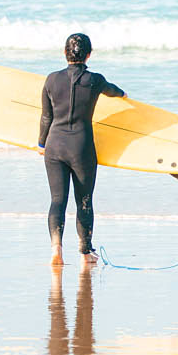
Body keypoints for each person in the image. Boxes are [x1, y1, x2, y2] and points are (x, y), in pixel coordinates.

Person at [38, 33, 125, 267]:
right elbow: (113, 90)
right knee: (84, 200)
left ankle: (56, 248)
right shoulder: (95, 80)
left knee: (57, 200)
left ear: (64, 53)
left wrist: (41, 144)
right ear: (88, 54)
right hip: (82, 148)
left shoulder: (51, 80)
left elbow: (46, 117)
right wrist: (124, 95)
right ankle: (86, 253)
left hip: (54, 147)